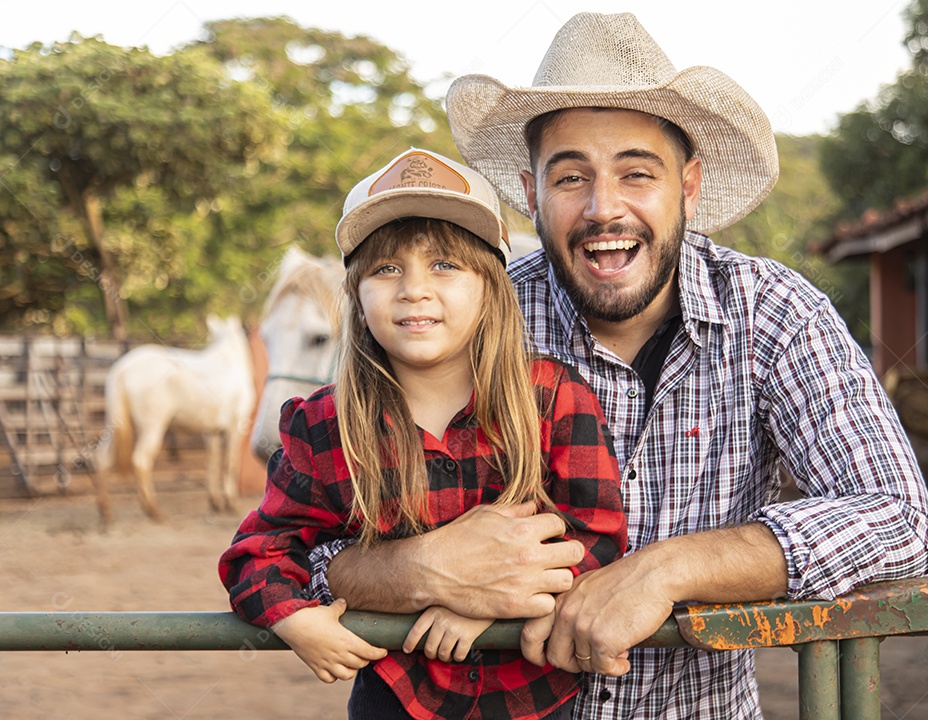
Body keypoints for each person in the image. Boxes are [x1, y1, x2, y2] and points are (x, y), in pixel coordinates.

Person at [307, 13, 928, 720]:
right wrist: (415, 569)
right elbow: (308, 532)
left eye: (636, 173)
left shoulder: (775, 313)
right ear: (532, 192)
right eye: (571, 176)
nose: (604, 208)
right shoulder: (473, 318)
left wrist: (668, 569)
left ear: (689, 185)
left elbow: (900, 520)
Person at [219, 147, 627, 720]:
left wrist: (493, 608)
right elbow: (258, 554)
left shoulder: (556, 400)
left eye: (445, 265)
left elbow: (599, 539)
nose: (413, 289)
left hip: (536, 701)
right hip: (395, 701)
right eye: (386, 269)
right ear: (357, 300)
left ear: (490, 290)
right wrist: (294, 617)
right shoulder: (322, 426)